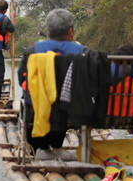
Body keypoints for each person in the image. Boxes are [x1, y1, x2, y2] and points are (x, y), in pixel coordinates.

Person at [18, 8, 85, 150]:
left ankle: (34, 151)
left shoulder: (32, 51)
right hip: (69, 114)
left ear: (48, 31)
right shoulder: (82, 52)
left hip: (35, 113)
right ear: (71, 31)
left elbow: (22, 80)